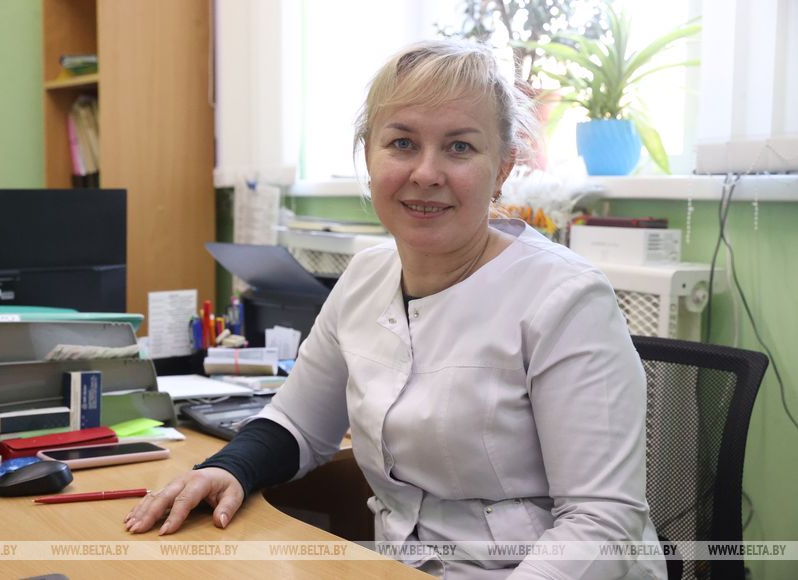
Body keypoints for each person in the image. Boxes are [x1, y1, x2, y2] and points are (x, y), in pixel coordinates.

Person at [125, 39, 667, 580]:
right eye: (402, 143)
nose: (426, 173)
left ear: (502, 167)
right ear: (370, 155)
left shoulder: (567, 298)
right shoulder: (365, 276)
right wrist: (229, 469)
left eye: (459, 147)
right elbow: (298, 422)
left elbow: (602, 522)